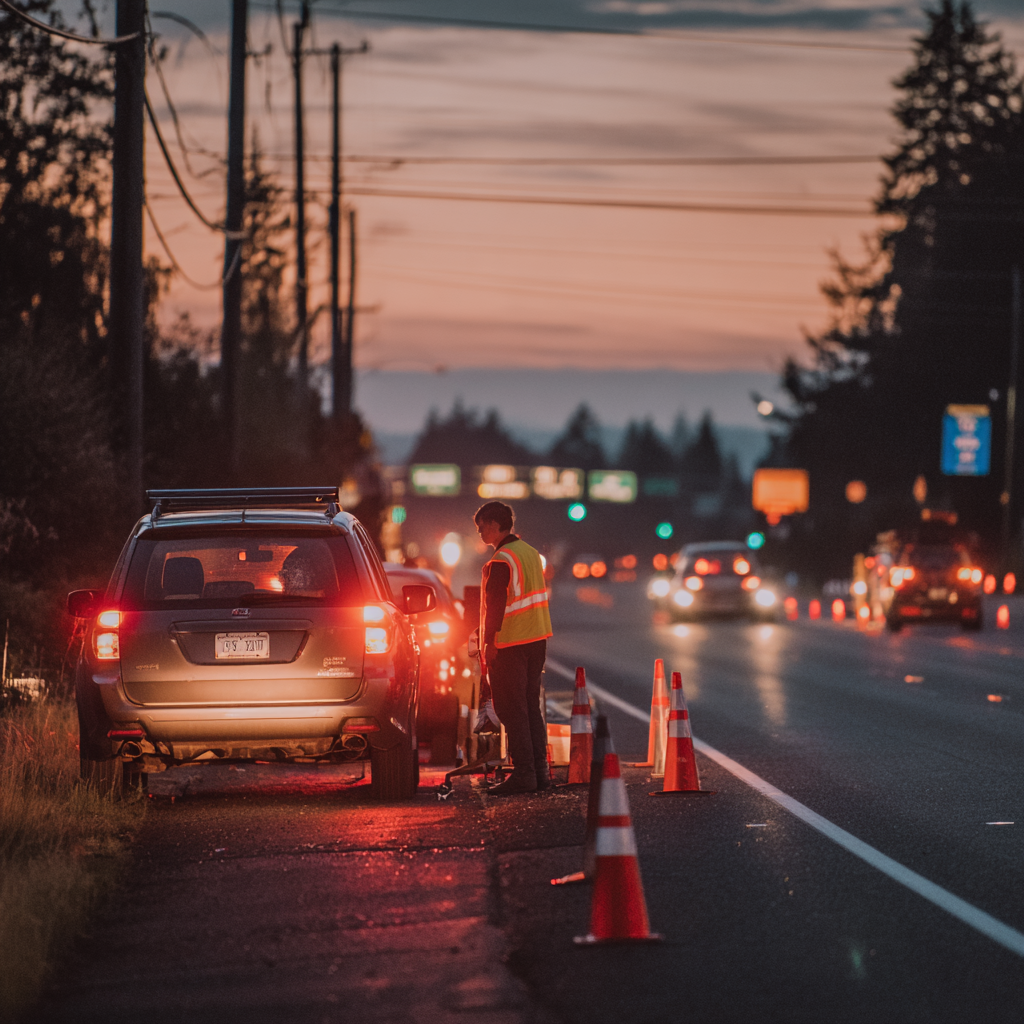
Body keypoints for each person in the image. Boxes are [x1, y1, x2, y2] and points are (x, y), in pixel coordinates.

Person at [474, 501, 552, 795]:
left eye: (481, 525)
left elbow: (495, 606)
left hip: (509, 645)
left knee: (511, 709)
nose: (480, 531)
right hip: (536, 641)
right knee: (531, 708)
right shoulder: (530, 554)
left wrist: (488, 643)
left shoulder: (501, 560)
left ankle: (524, 775)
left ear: (494, 525)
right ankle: (540, 774)